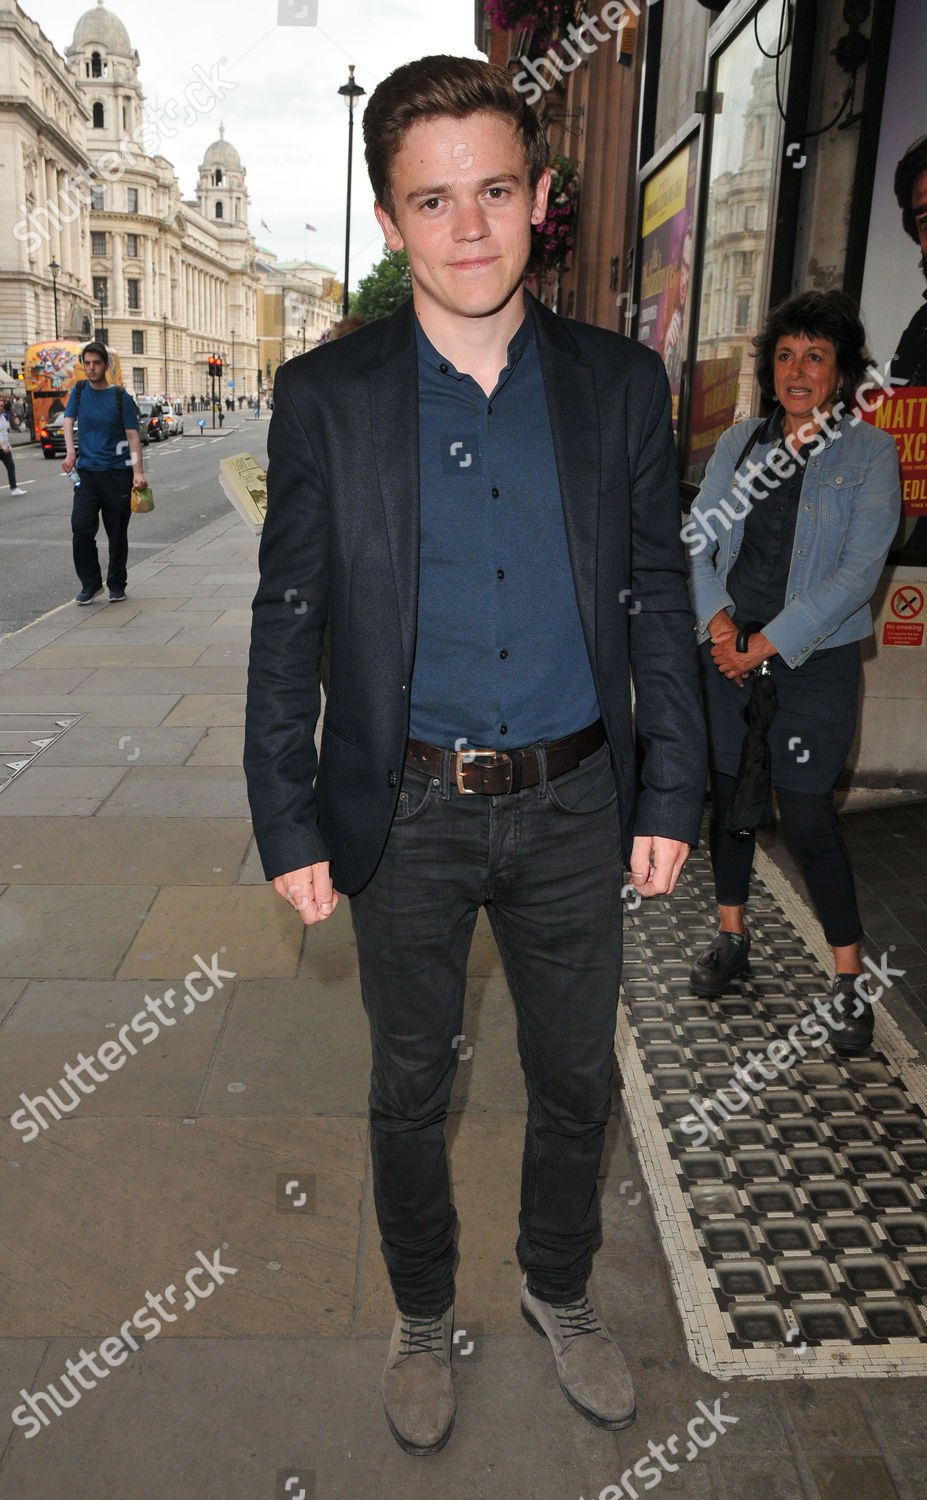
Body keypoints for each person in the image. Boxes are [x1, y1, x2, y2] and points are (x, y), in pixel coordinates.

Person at [244, 54, 705, 1457]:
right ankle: (420, 1307)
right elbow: (291, 614)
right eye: (431, 201)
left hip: (576, 803)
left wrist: (670, 782)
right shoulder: (327, 398)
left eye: (493, 191)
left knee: (575, 1084)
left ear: (540, 198)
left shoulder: (621, 386)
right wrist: (289, 814)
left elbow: (656, 594)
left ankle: (559, 1293)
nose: (467, 229)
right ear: (389, 219)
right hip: (405, 812)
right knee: (409, 1084)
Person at [686, 290, 901, 1055]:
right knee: (733, 800)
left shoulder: (870, 455)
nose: (797, 369)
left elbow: (854, 575)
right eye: (784, 355)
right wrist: (718, 626)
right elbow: (697, 543)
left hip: (812, 661)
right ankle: (731, 936)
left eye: (815, 355)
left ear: (841, 371)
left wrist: (763, 643)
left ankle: (848, 979)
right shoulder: (738, 445)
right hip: (727, 654)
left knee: (807, 815)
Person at [63, 341, 145, 604]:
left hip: (117, 474)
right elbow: (68, 422)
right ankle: (91, 583)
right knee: (80, 527)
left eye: (96, 363)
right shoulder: (77, 392)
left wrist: (138, 472)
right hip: (86, 474)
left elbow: (133, 437)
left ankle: (116, 584)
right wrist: (70, 452)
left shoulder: (121, 397)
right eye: (86, 363)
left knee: (116, 533)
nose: (91, 368)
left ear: (105, 365)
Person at [0, 407, 26, 495]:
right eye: (0, 406)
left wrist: (6, 445)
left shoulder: (2, 417)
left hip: (5, 448)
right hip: (2, 447)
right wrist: (2, 445)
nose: (2, 407)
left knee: (11, 467)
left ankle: (14, 489)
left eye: (2, 406)